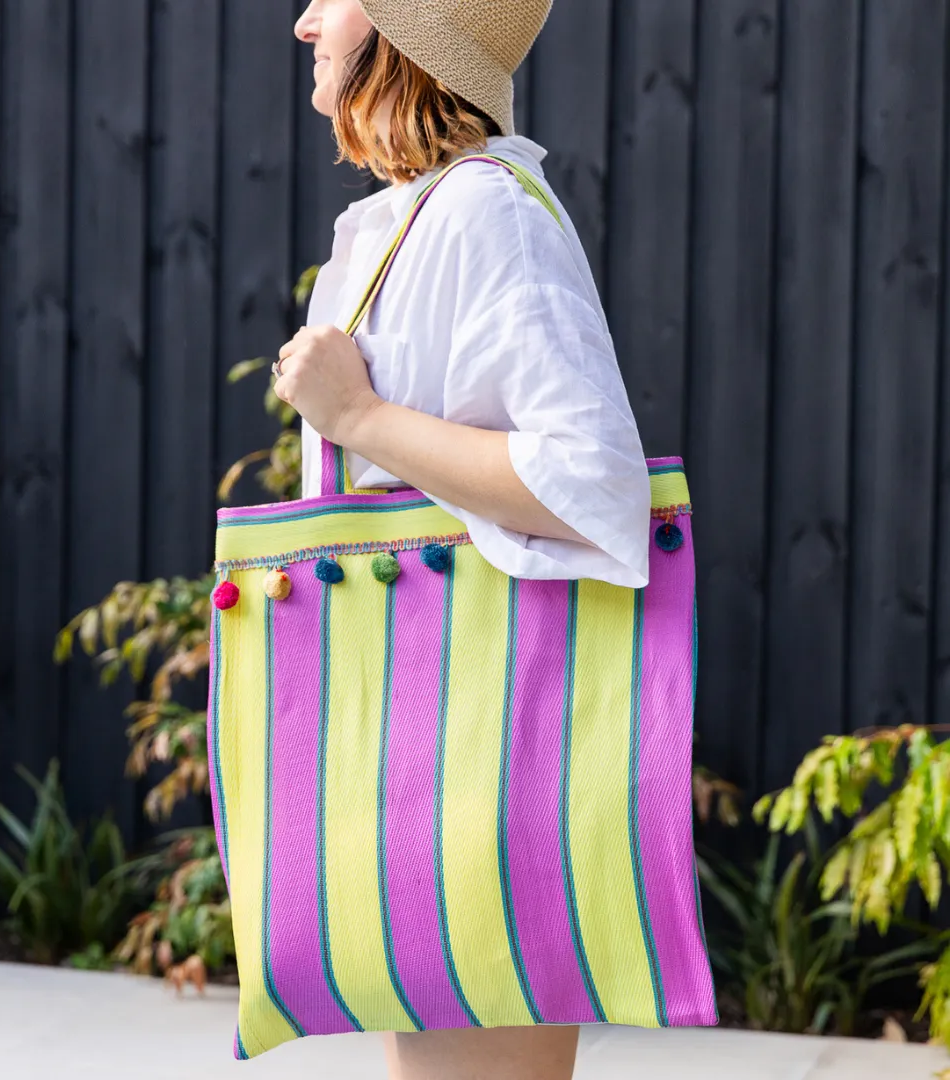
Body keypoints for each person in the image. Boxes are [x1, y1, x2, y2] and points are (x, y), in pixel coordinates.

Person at [278, 2, 652, 1078]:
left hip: (479, 747)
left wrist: (358, 421)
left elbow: (590, 483)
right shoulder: (413, 218)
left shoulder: (487, 215)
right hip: (423, 739)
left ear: (403, 31)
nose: (305, 23)